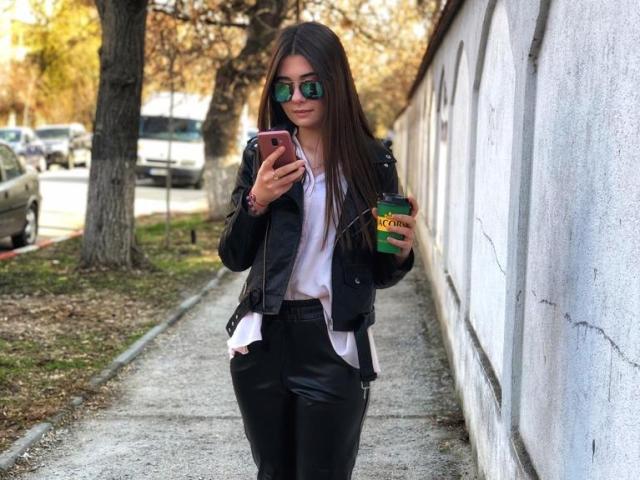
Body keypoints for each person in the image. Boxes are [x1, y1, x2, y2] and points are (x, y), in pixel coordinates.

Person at [218, 21, 419, 480]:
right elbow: (233, 256)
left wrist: (400, 251)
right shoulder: (261, 157)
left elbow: (382, 272)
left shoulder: (373, 162)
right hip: (264, 339)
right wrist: (257, 200)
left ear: (335, 83)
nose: (297, 98)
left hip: (333, 339)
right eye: (284, 87)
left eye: (310, 85)